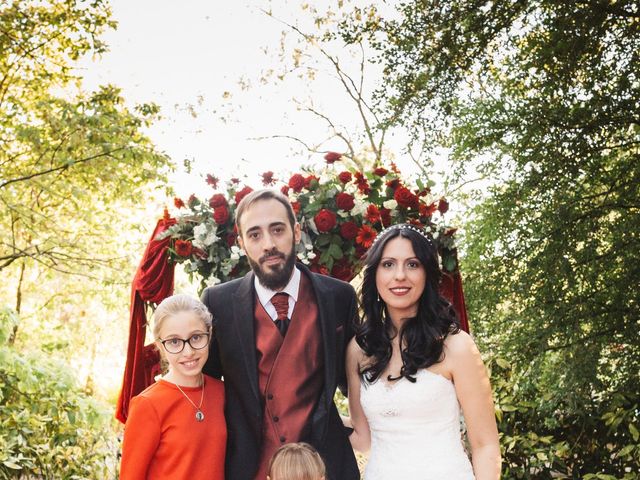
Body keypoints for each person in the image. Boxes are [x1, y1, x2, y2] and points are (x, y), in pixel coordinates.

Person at [201, 189, 359, 480]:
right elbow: (205, 388)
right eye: (255, 235)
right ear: (242, 244)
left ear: (296, 232)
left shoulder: (339, 297)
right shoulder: (217, 303)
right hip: (249, 468)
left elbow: (356, 381)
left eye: (277, 230)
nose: (269, 244)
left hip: (325, 466)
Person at [345, 224, 501, 479]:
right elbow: (363, 440)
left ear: (427, 274)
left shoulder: (456, 346)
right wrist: (311, 415)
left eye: (412, 264)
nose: (399, 275)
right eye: (388, 264)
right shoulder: (359, 350)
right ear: (374, 275)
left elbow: (486, 445)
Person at [120, 294, 226, 479]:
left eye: (196, 337)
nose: (188, 351)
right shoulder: (147, 405)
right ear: (160, 345)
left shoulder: (222, 392)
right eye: (174, 342)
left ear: (209, 335)